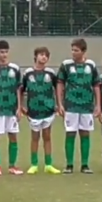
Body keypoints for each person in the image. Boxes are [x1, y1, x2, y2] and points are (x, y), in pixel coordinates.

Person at [57, 38, 100, 174]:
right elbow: (60, 84)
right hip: (71, 105)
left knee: (85, 134)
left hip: (87, 106)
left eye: (76, 50)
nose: (73, 53)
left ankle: (85, 165)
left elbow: (96, 85)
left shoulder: (91, 65)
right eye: (72, 50)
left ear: (83, 51)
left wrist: (98, 104)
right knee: (70, 133)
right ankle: (69, 165)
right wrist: (60, 103)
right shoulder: (66, 65)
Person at [19, 47, 61, 175]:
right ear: (35, 56)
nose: (44, 57)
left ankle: (48, 164)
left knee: (47, 137)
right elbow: (21, 90)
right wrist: (21, 105)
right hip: (33, 110)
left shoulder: (51, 73)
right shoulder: (28, 73)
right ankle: (34, 164)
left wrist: (59, 104)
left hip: (48, 110)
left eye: (46, 55)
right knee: (35, 138)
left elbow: (58, 88)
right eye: (41, 55)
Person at [0, 40, 23, 176]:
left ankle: (12, 166)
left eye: (6, 52)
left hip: (12, 109)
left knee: (13, 136)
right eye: (1, 52)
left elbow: (19, 89)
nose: (4, 55)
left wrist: (19, 107)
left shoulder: (15, 69)